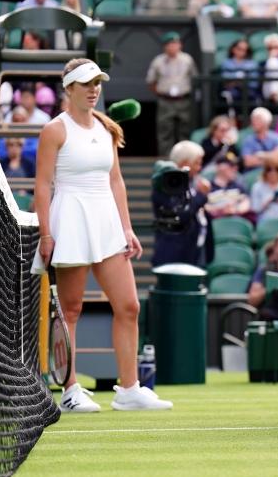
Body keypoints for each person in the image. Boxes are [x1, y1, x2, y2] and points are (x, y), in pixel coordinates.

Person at [33, 58, 172, 412]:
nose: (94, 89)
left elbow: (115, 181)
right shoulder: (55, 130)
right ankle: (70, 389)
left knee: (128, 305)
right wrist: (46, 234)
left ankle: (128, 389)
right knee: (71, 310)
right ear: (69, 89)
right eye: (86, 83)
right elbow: (42, 186)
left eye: (98, 82)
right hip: (71, 219)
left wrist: (126, 226)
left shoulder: (106, 127)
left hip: (106, 222)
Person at [153, 141, 213, 268]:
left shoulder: (191, 182)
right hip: (175, 255)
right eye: (197, 163)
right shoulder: (167, 185)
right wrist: (202, 196)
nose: (199, 168)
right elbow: (181, 215)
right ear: (185, 163)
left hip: (194, 249)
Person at [146, 32, 197, 156]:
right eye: (169, 44)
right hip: (166, 100)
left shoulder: (187, 59)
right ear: (165, 46)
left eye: (175, 43)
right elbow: (151, 81)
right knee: (165, 130)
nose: (173, 47)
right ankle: (165, 157)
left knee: (184, 129)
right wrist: (160, 93)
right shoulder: (158, 61)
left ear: (180, 45)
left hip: (183, 99)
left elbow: (195, 78)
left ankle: (185, 156)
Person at [204, 155, 252, 221]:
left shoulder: (238, 186)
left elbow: (246, 202)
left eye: (236, 166)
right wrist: (221, 209)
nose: (235, 168)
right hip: (215, 222)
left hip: (236, 221)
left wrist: (235, 209)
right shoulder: (207, 187)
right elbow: (203, 207)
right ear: (219, 167)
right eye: (231, 166)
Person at [241, 107, 278, 172]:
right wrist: (272, 157)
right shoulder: (248, 140)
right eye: (253, 120)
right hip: (254, 173)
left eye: (257, 120)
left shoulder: (276, 138)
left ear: (267, 122)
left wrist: (261, 154)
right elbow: (248, 162)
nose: (254, 122)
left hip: (274, 173)